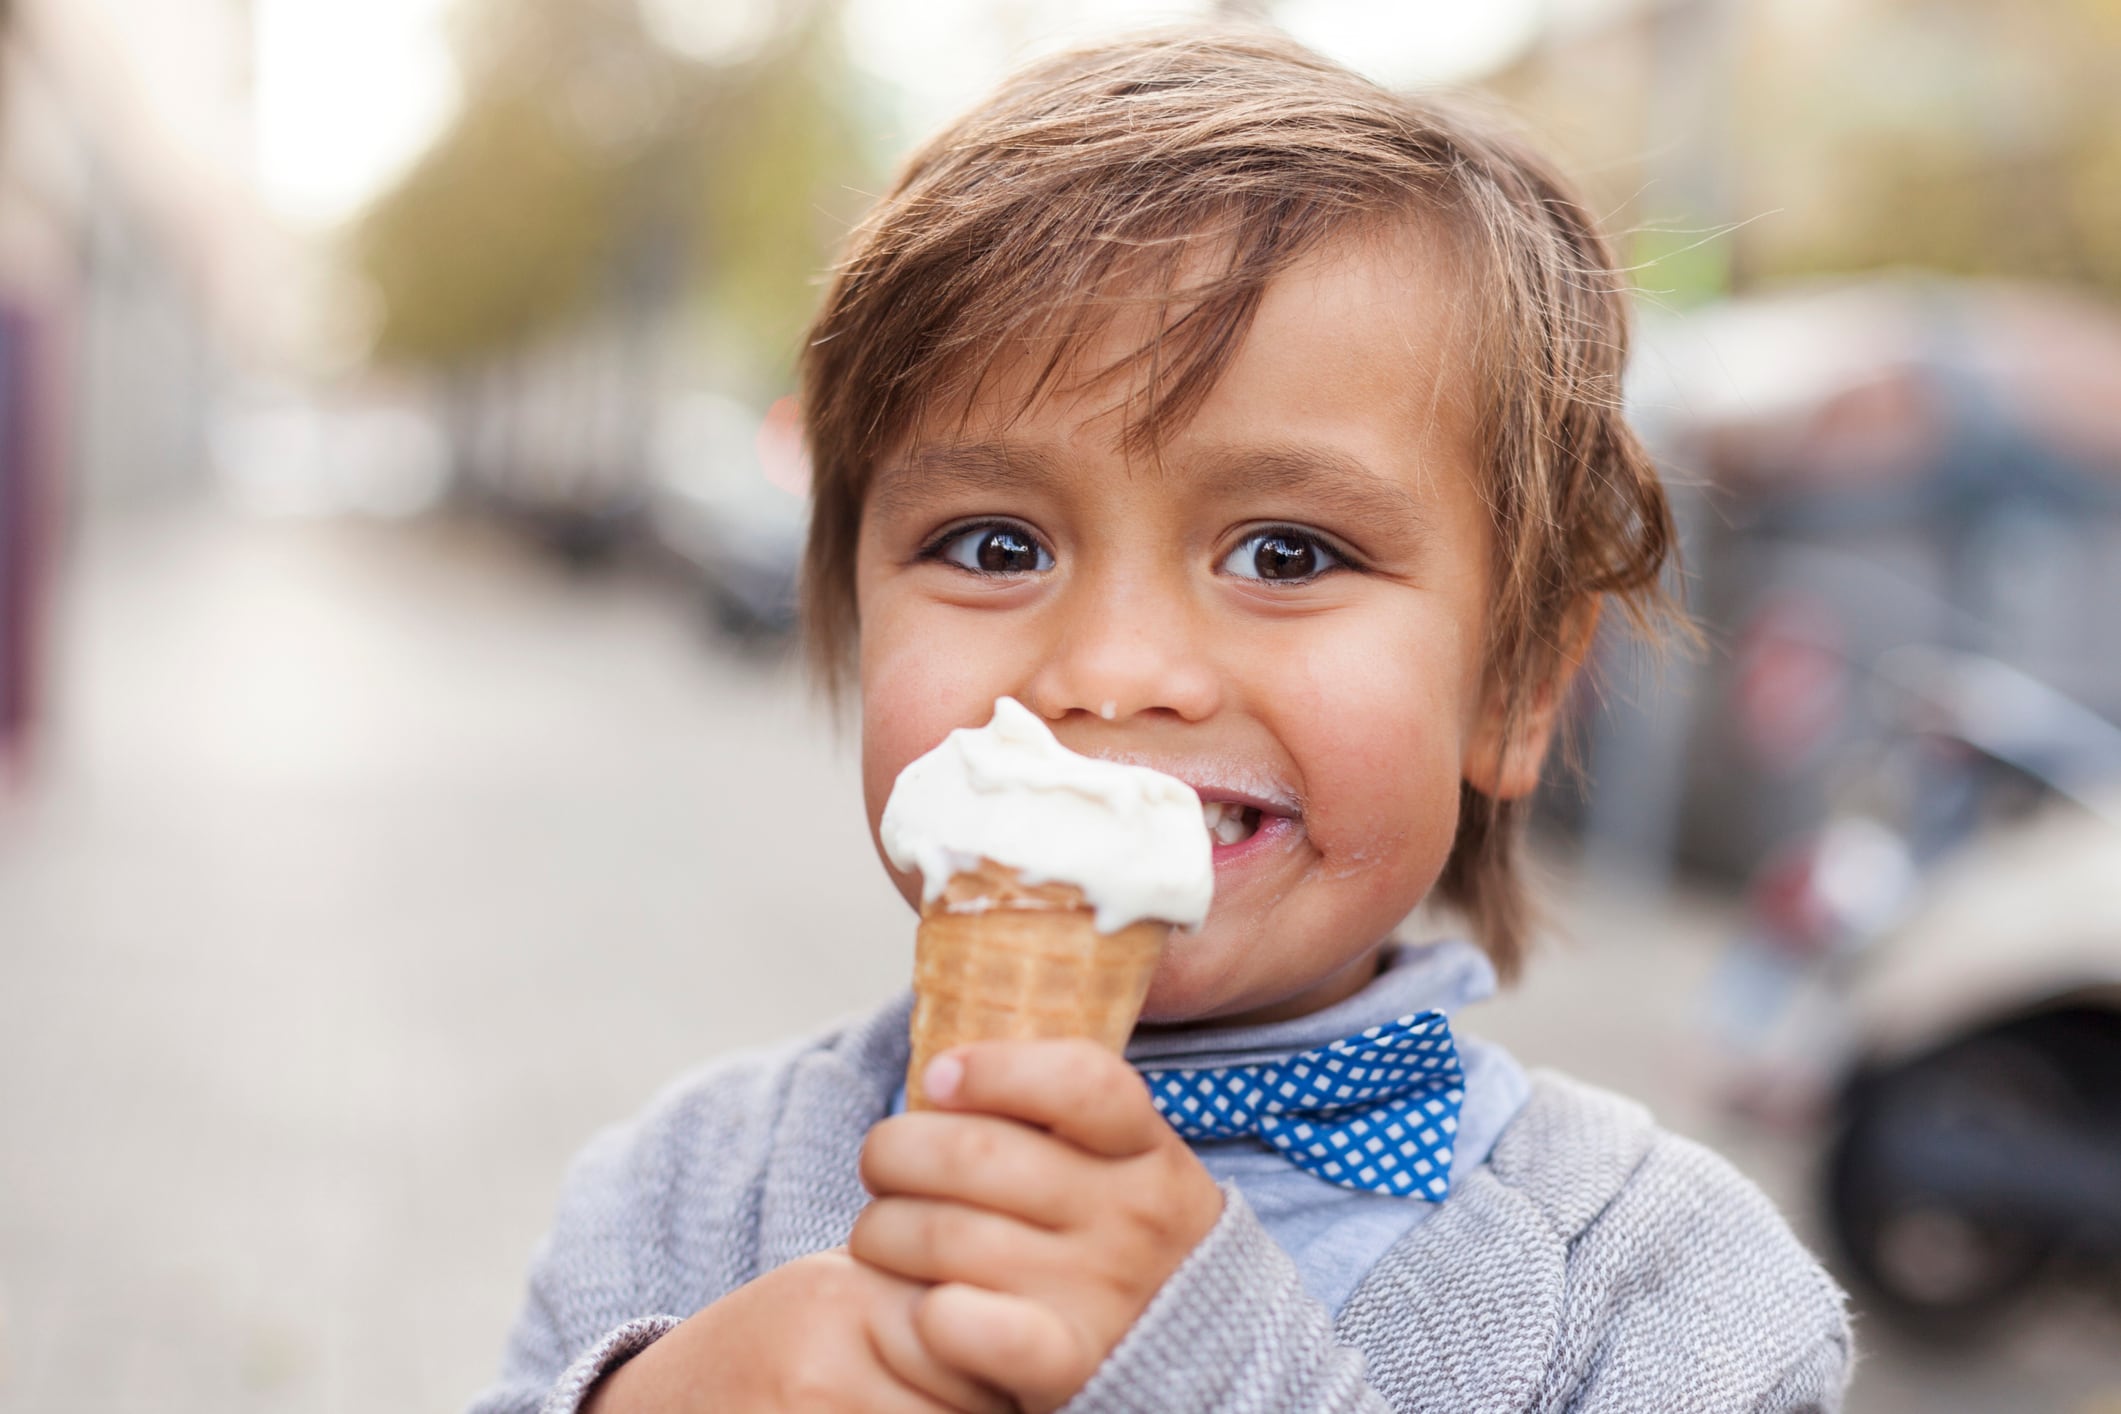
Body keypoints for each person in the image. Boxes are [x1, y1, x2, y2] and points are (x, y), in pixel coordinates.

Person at [469, 26, 1851, 1414]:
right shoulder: (680, 1196)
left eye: (1287, 553)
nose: (1113, 670)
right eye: (995, 545)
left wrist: (1208, 1367)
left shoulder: (1665, 1296)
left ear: (1512, 688)